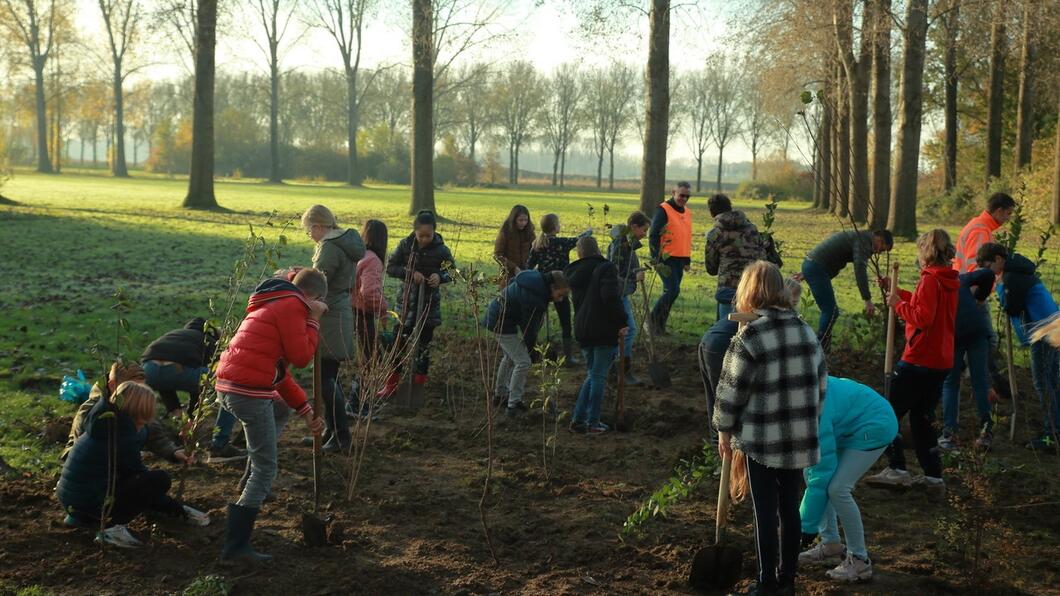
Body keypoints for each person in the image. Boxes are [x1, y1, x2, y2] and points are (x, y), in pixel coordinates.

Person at [713, 261, 827, 596]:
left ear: (749, 291)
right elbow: (821, 386)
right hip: (799, 436)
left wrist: (724, 431)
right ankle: (787, 580)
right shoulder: (806, 331)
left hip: (762, 440)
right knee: (790, 508)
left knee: (765, 511)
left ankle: (766, 582)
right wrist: (808, 421)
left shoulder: (751, 336)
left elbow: (731, 390)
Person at [215, 269, 328, 565]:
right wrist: (314, 319)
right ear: (314, 297)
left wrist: (306, 412)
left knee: (278, 409)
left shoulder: (274, 302)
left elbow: (279, 373)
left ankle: (250, 483)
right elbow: (302, 357)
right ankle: (235, 547)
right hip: (247, 392)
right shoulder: (293, 305)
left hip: (231, 386)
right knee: (267, 469)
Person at [57, 381, 210, 548]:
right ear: (139, 411)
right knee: (158, 480)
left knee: (142, 483)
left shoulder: (106, 422)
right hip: (88, 502)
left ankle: (94, 518)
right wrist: (171, 506)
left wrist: (173, 508)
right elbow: (138, 479)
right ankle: (111, 529)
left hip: (72, 499)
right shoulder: (120, 435)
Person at [866, 230, 959, 498]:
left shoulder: (931, 280)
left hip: (919, 360)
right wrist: (898, 292)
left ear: (926, 251)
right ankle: (932, 477)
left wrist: (897, 305)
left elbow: (923, 317)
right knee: (922, 419)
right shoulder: (948, 279)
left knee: (886, 410)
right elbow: (925, 305)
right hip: (940, 361)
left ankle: (898, 469)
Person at [798, 377, 898, 583]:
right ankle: (831, 544)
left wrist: (803, 529)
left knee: (838, 488)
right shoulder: (797, 392)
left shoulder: (814, 406)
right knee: (809, 474)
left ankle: (860, 559)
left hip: (875, 423)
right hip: (847, 426)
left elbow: (822, 470)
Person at [978, 243, 1060, 451]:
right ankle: (1055, 429)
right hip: (1053, 325)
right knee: (1051, 381)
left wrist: (999, 288)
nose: (988, 271)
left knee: (1042, 383)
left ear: (998, 259)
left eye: (988, 265)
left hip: (1044, 331)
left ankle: (1052, 435)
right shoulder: (1018, 270)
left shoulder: (1012, 277)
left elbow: (1012, 306)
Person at [302, 205, 365, 453]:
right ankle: (332, 431)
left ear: (318, 226)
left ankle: (340, 436)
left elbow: (318, 283)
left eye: (309, 231)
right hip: (339, 311)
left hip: (329, 314)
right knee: (330, 377)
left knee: (326, 379)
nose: (309, 236)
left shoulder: (328, 247)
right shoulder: (343, 243)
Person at [140, 318, 244, 464]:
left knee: (139, 403)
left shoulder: (177, 335)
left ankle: (138, 443)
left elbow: (166, 382)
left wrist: (182, 417)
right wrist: (194, 417)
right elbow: (204, 385)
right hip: (176, 370)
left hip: (148, 369)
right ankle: (220, 445)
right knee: (230, 384)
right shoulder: (208, 341)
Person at [62, 361, 191, 466]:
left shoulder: (135, 402)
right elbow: (81, 453)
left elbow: (154, 433)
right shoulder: (92, 411)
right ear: (113, 385)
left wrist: (173, 452)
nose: (138, 396)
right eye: (133, 390)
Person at [382, 210, 456, 394]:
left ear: (434, 233)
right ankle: (391, 385)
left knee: (423, 347)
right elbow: (390, 267)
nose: (424, 239)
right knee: (398, 345)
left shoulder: (442, 250)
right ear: (414, 231)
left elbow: (453, 272)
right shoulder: (405, 245)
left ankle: (417, 387)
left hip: (429, 305)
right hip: (406, 304)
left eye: (428, 236)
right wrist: (408, 273)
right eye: (420, 235)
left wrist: (440, 276)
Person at [485, 269, 570, 418]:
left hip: (499, 318)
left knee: (510, 358)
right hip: (500, 323)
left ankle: (500, 395)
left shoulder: (535, 282)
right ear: (552, 288)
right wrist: (533, 352)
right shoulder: (535, 297)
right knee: (523, 362)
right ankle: (512, 405)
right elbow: (529, 329)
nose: (561, 299)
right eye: (560, 295)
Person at [565, 237, 627, 434]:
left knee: (592, 375)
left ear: (579, 253)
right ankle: (592, 422)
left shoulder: (573, 272)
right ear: (597, 250)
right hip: (602, 329)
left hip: (583, 329)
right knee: (598, 376)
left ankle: (578, 419)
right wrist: (622, 321)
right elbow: (609, 297)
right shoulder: (606, 268)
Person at [798, 229, 893, 350]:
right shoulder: (863, 241)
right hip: (816, 267)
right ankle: (819, 349)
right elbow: (859, 268)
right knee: (831, 311)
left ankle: (823, 348)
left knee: (830, 311)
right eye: (883, 249)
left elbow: (833, 254)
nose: (879, 253)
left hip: (814, 265)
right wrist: (867, 299)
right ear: (879, 239)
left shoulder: (862, 237)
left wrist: (807, 270)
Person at [939, 265, 997, 452]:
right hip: (977, 331)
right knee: (980, 381)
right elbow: (988, 273)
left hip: (954, 334)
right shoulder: (959, 278)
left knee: (950, 382)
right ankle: (987, 432)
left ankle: (949, 434)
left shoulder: (931, 284)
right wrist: (980, 297)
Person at [705, 193, 782, 322]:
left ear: (711, 212)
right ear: (730, 207)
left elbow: (711, 269)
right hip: (755, 286)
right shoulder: (752, 229)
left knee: (725, 330)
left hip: (729, 290)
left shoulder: (715, 234)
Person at [526, 213, 590, 366]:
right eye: (559, 223)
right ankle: (568, 357)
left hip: (542, 287)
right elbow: (579, 240)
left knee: (537, 322)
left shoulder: (537, 245)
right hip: (560, 286)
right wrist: (588, 231)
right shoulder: (562, 242)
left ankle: (533, 354)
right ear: (555, 227)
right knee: (565, 321)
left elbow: (528, 266)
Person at [350, 219, 389, 415]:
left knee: (364, 359)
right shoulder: (373, 259)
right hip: (362, 314)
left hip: (350, 311)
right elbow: (370, 292)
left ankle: (355, 402)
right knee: (371, 360)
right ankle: (358, 404)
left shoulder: (359, 255)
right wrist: (384, 309)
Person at [608, 211, 650, 386]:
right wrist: (634, 278)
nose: (645, 235)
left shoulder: (628, 244)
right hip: (617, 295)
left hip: (622, 294)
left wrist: (636, 272)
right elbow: (614, 276)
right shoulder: (620, 246)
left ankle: (613, 369)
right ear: (634, 227)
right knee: (629, 330)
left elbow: (625, 269)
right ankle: (622, 371)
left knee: (621, 332)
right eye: (644, 230)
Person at [647, 182, 693, 336]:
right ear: (673, 192)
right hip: (665, 258)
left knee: (672, 292)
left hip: (680, 260)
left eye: (687, 196)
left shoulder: (687, 212)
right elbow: (653, 234)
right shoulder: (663, 210)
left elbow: (686, 236)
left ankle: (659, 328)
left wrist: (687, 260)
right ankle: (652, 322)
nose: (684, 199)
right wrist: (656, 258)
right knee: (672, 290)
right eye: (681, 195)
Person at [953, 192, 1016, 274]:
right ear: (999, 211)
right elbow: (974, 266)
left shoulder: (979, 226)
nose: (1009, 218)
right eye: (1008, 213)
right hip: (969, 284)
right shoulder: (980, 231)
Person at [494, 204, 534, 287]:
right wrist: (514, 267)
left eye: (525, 220)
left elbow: (533, 251)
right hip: (508, 276)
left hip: (526, 273)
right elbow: (498, 255)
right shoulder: (505, 233)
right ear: (514, 219)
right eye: (520, 220)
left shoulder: (530, 233)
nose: (523, 223)